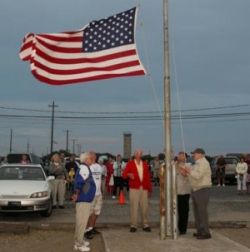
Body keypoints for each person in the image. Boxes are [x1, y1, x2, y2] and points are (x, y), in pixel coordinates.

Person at [181, 148, 212, 239]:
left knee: (202, 212)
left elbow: (198, 176)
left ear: (201, 154)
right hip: (196, 190)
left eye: (195, 153)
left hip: (202, 189)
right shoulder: (197, 164)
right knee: (197, 212)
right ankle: (200, 231)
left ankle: (206, 233)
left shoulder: (204, 163)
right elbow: (192, 176)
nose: (193, 155)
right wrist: (186, 174)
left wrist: (188, 171)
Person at [122, 149, 152, 233]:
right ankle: (133, 225)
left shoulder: (145, 164)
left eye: (140, 153)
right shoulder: (130, 163)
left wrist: (150, 189)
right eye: (137, 153)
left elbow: (148, 177)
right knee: (134, 207)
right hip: (134, 188)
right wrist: (128, 174)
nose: (139, 155)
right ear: (134, 155)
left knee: (145, 207)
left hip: (144, 188)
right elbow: (124, 175)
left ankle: (145, 224)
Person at [72, 152, 96, 252]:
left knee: (81, 221)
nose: (93, 160)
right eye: (91, 158)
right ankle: (78, 244)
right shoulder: (84, 168)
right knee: (81, 222)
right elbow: (79, 182)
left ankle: (79, 240)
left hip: (84, 199)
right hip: (83, 199)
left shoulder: (84, 167)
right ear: (86, 159)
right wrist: (76, 194)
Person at [84, 152, 104, 240]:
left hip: (99, 194)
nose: (93, 157)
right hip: (91, 194)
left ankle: (92, 227)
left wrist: (102, 191)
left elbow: (99, 179)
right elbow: (85, 181)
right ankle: (87, 230)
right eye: (91, 156)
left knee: (96, 212)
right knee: (89, 213)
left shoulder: (99, 167)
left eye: (94, 156)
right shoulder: (87, 167)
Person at [176, 152, 191, 235]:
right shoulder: (174, 165)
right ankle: (175, 227)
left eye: (182, 156)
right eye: (179, 155)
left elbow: (187, 175)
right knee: (175, 210)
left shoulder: (188, 165)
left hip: (184, 192)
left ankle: (182, 229)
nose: (180, 157)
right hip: (175, 191)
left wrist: (184, 172)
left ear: (185, 157)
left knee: (184, 211)